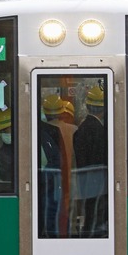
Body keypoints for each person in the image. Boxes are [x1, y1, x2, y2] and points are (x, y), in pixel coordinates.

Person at [73, 84, 107, 236]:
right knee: (96, 219)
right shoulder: (98, 131)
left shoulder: (83, 128)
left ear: (87, 106)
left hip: (87, 183)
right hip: (98, 184)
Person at [42, 94, 77, 236]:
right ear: (62, 111)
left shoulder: (39, 132)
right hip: (71, 181)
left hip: (52, 183)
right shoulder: (74, 130)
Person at [0, 108, 13, 181]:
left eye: (5, 129)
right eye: (0, 131)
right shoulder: (4, 151)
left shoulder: (33, 143)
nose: (3, 133)